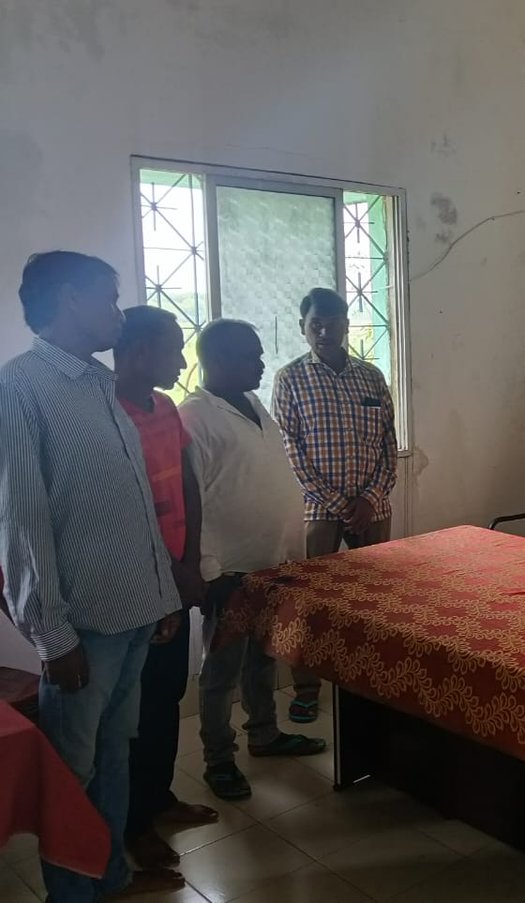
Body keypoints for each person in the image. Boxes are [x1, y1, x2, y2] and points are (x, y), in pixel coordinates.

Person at [0, 252, 185, 899]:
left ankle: (109, 880)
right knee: (71, 772)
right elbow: (21, 522)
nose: (117, 310)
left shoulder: (98, 382)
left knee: (113, 755)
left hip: (135, 609)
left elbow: (134, 499)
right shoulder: (20, 386)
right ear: (71, 299)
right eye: (108, 297)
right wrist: (52, 636)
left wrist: (162, 589)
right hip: (84, 628)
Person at [179, 319, 325, 802]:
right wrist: (206, 569)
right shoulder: (194, 418)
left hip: (271, 564)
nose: (262, 363)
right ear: (218, 360)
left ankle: (264, 734)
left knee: (263, 658)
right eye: (251, 356)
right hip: (228, 571)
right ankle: (219, 758)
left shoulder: (255, 403)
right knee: (220, 672)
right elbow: (189, 499)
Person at [113, 306, 220, 870]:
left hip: (175, 575)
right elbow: (123, 510)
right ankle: (132, 826)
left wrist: (189, 561)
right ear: (136, 352)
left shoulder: (164, 409)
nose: (181, 362)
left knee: (166, 693)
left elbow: (187, 485)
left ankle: (157, 798)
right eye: (172, 349)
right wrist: (169, 570)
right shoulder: (107, 412)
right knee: (133, 709)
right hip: (135, 584)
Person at [272, 288, 398, 723]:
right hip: (318, 508)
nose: (325, 331)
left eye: (333, 322)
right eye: (315, 324)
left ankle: (371, 678)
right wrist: (340, 503)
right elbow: (290, 450)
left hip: (372, 507)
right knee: (312, 603)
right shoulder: (289, 379)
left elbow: (388, 445)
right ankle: (306, 689)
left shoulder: (371, 377)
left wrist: (370, 498)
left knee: (375, 600)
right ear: (302, 328)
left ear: (347, 324)